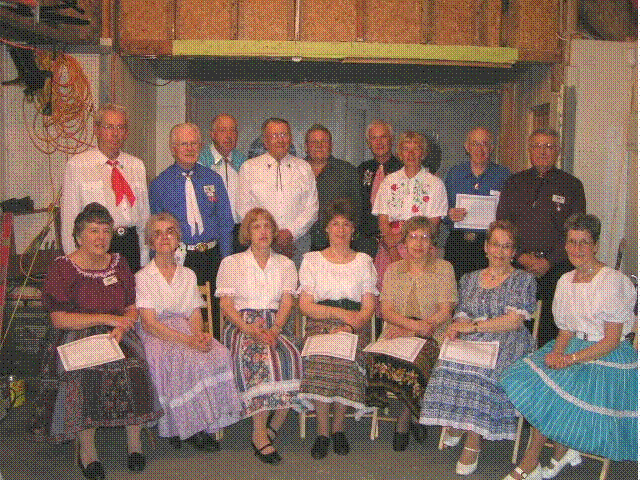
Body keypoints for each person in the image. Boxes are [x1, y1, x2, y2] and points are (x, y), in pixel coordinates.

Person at [499, 213, 637, 480]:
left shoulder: (612, 281)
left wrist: (570, 359)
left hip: (606, 356)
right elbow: (565, 331)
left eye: (584, 242)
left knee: (553, 392)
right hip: (573, 347)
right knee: (537, 379)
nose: (577, 248)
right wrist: (556, 353)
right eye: (572, 242)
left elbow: (611, 340)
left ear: (595, 245)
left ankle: (530, 464)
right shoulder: (564, 281)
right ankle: (561, 450)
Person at [32, 203, 162, 480]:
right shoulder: (62, 267)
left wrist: (124, 324)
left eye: (106, 231)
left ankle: (134, 444)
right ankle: (88, 452)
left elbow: (131, 307)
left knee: (134, 366)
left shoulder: (119, 263)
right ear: (79, 236)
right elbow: (59, 319)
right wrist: (106, 318)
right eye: (93, 231)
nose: (101, 237)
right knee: (84, 375)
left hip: (116, 333)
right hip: (75, 333)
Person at [419, 220, 537, 476]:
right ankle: (457, 421)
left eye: (507, 246)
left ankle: (473, 441)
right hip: (474, 336)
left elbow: (513, 321)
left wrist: (472, 327)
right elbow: (462, 313)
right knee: (447, 362)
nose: (500, 251)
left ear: (514, 251)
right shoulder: (470, 278)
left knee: (481, 375)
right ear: (486, 247)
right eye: (495, 244)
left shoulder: (523, 279)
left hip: (507, 339)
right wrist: (456, 327)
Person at [135, 212, 242, 452]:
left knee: (219, 353)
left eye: (170, 231)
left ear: (178, 239)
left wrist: (198, 335)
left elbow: (194, 312)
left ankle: (206, 420)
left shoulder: (188, 274)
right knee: (182, 357)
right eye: (157, 233)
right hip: (157, 334)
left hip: (185, 329)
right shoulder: (143, 277)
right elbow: (149, 324)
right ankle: (185, 427)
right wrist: (188, 342)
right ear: (150, 241)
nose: (165, 237)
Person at [216, 207, 303, 465]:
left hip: (276, 323)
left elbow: (286, 303)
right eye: (256, 227)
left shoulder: (286, 264)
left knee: (292, 356)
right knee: (258, 357)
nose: (263, 231)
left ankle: (274, 424)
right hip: (241, 324)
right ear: (248, 233)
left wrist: (275, 329)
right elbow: (226, 305)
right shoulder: (231, 263)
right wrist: (249, 329)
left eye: (267, 226)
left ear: (274, 232)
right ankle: (258, 433)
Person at [367, 216, 457, 452]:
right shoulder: (393, 270)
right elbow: (386, 311)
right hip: (398, 331)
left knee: (416, 364)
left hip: (432, 332)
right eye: (413, 237)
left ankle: (404, 420)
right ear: (404, 242)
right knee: (377, 360)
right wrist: (409, 328)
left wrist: (416, 329)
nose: (418, 243)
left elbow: (445, 311)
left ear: (432, 242)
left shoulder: (444, 268)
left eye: (425, 237)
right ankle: (418, 414)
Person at [297, 198, 377, 459]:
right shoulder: (311, 260)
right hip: (320, 322)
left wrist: (348, 325)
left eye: (346, 224)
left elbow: (368, 308)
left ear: (353, 229)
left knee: (345, 358)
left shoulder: (364, 261)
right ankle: (322, 432)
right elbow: (306, 305)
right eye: (335, 224)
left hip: (354, 325)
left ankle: (338, 428)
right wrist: (336, 314)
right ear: (326, 228)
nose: (340, 230)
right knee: (321, 358)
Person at [496, 128, 585, 346]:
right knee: (514, 328)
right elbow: (502, 226)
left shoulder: (572, 185)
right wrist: (519, 256)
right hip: (517, 267)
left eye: (549, 146)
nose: (542, 151)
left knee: (551, 332)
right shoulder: (513, 182)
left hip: (556, 270)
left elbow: (576, 233)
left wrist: (548, 261)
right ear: (529, 150)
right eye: (537, 146)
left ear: (558, 151)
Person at [149, 123, 234, 338]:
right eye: (183, 144)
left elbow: (225, 222)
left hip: (212, 257)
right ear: (173, 148)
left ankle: (215, 353)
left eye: (194, 143)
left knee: (215, 315)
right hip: (180, 259)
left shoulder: (213, 179)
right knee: (186, 315)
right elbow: (155, 231)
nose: (189, 148)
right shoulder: (160, 184)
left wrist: (226, 261)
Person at [61, 103, 150, 273]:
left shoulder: (136, 165)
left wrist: (144, 260)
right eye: (109, 127)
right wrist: (75, 263)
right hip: (96, 246)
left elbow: (144, 217)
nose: (115, 133)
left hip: (130, 245)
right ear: (96, 129)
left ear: (126, 132)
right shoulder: (78, 165)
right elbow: (69, 221)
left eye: (120, 127)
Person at [372, 131, 448, 295]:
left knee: (419, 298)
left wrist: (404, 236)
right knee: (390, 297)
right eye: (406, 149)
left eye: (416, 149)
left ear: (423, 153)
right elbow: (383, 220)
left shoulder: (435, 184)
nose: (411, 154)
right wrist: (392, 248)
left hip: (422, 248)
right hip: (389, 248)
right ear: (400, 153)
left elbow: (433, 225)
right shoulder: (389, 181)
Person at [236, 118, 319, 266]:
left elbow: (312, 208)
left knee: (297, 280)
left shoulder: (304, 168)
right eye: (274, 135)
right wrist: (271, 236)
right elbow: (243, 208)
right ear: (265, 141)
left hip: (297, 244)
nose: (280, 140)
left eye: (284, 134)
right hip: (261, 242)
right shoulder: (249, 168)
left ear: (290, 138)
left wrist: (291, 233)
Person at [443, 127, 510, 281]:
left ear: (491, 148)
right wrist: (449, 215)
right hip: (458, 245)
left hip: (491, 246)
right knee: (456, 291)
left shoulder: (504, 175)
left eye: (484, 144)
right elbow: (442, 211)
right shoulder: (454, 174)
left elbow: (511, 213)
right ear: (467, 147)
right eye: (475, 144)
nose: (480, 149)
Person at [304, 124, 360, 251]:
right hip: (299, 244)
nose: (319, 145)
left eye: (324, 141)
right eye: (314, 142)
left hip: (337, 244)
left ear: (331, 145)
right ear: (306, 147)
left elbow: (357, 211)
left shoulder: (348, 171)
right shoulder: (294, 171)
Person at [198, 114, 247, 251]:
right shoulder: (200, 161)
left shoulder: (244, 162)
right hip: (210, 232)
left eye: (233, 130)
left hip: (239, 232)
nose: (228, 135)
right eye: (223, 130)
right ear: (212, 134)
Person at [355, 120, 402, 259]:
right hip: (365, 242)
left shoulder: (403, 170)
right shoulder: (362, 170)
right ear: (368, 143)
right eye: (374, 138)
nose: (379, 142)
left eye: (383, 137)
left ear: (392, 139)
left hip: (396, 242)